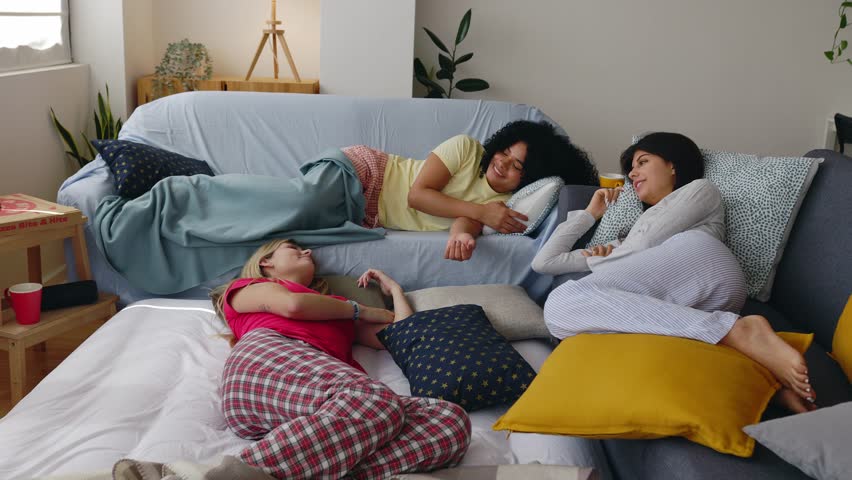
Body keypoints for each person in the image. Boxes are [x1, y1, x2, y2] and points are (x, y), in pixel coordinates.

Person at [531, 132, 815, 413]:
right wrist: (590, 214)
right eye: (631, 169)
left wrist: (609, 259)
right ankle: (771, 389)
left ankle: (739, 330)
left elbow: (645, 245)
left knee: (560, 301)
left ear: (672, 165)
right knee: (585, 334)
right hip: (692, 303)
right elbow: (545, 262)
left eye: (642, 162)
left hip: (705, 262)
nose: (632, 174)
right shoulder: (627, 240)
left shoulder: (700, 190)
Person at [210, 239, 471, 479]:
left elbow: (400, 337)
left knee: (449, 422)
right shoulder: (247, 288)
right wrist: (361, 310)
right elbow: (293, 306)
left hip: (319, 405)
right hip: (265, 363)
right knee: (373, 400)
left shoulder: (337, 310)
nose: (307, 252)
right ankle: (238, 474)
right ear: (266, 262)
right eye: (294, 249)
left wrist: (395, 291)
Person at [343, 120, 598, 261]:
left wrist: (461, 236)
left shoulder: (505, 204)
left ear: (529, 178)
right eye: (505, 151)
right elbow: (417, 195)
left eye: (517, 165)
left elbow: (468, 222)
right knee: (304, 208)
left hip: (365, 214)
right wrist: (481, 212)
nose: (502, 163)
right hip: (367, 173)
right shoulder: (466, 149)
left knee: (308, 227)